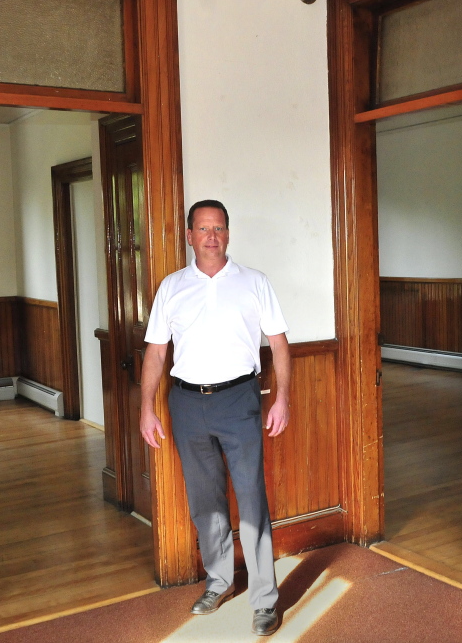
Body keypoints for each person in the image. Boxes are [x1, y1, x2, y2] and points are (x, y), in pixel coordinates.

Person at [139, 199, 291, 637]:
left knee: (251, 499)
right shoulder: (171, 287)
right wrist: (146, 407)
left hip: (238, 399)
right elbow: (156, 352)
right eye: (203, 228)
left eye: (218, 228)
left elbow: (279, 344)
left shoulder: (254, 283)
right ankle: (220, 582)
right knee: (204, 500)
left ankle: (265, 601)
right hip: (186, 403)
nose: (211, 235)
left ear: (228, 234)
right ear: (189, 236)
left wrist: (281, 400)